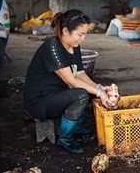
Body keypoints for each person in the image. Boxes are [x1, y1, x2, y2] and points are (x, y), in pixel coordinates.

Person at [23, 9, 112, 154]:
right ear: (65, 31)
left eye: (84, 34)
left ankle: (74, 126)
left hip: (56, 93)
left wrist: (99, 87)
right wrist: (98, 92)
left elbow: (81, 74)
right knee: (82, 94)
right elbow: (71, 80)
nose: (82, 38)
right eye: (80, 34)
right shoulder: (52, 48)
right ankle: (65, 139)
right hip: (39, 102)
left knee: (90, 89)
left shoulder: (73, 46)